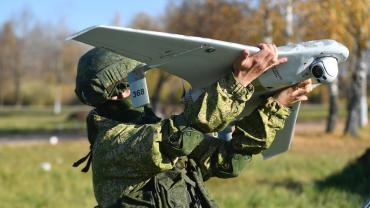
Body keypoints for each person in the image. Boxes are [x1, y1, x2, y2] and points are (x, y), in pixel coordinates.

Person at [73, 44, 312, 208]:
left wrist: (277, 105)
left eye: (136, 80)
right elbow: (178, 138)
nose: (132, 91)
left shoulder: (150, 130)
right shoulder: (113, 143)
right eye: (122, 87)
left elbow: (230, 161)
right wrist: (238, 82)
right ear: (102, 98)